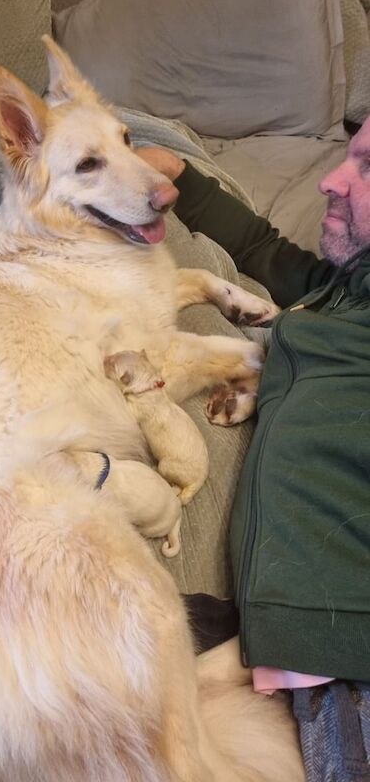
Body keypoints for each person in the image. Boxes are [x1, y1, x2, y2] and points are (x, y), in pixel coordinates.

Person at [136, 115, 370, 782]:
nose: (332, 180)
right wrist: (186, 179)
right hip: (291, 631)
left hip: (349, 637)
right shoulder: (342, 291)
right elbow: (267, 252)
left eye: (367, 168)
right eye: (346, 157)